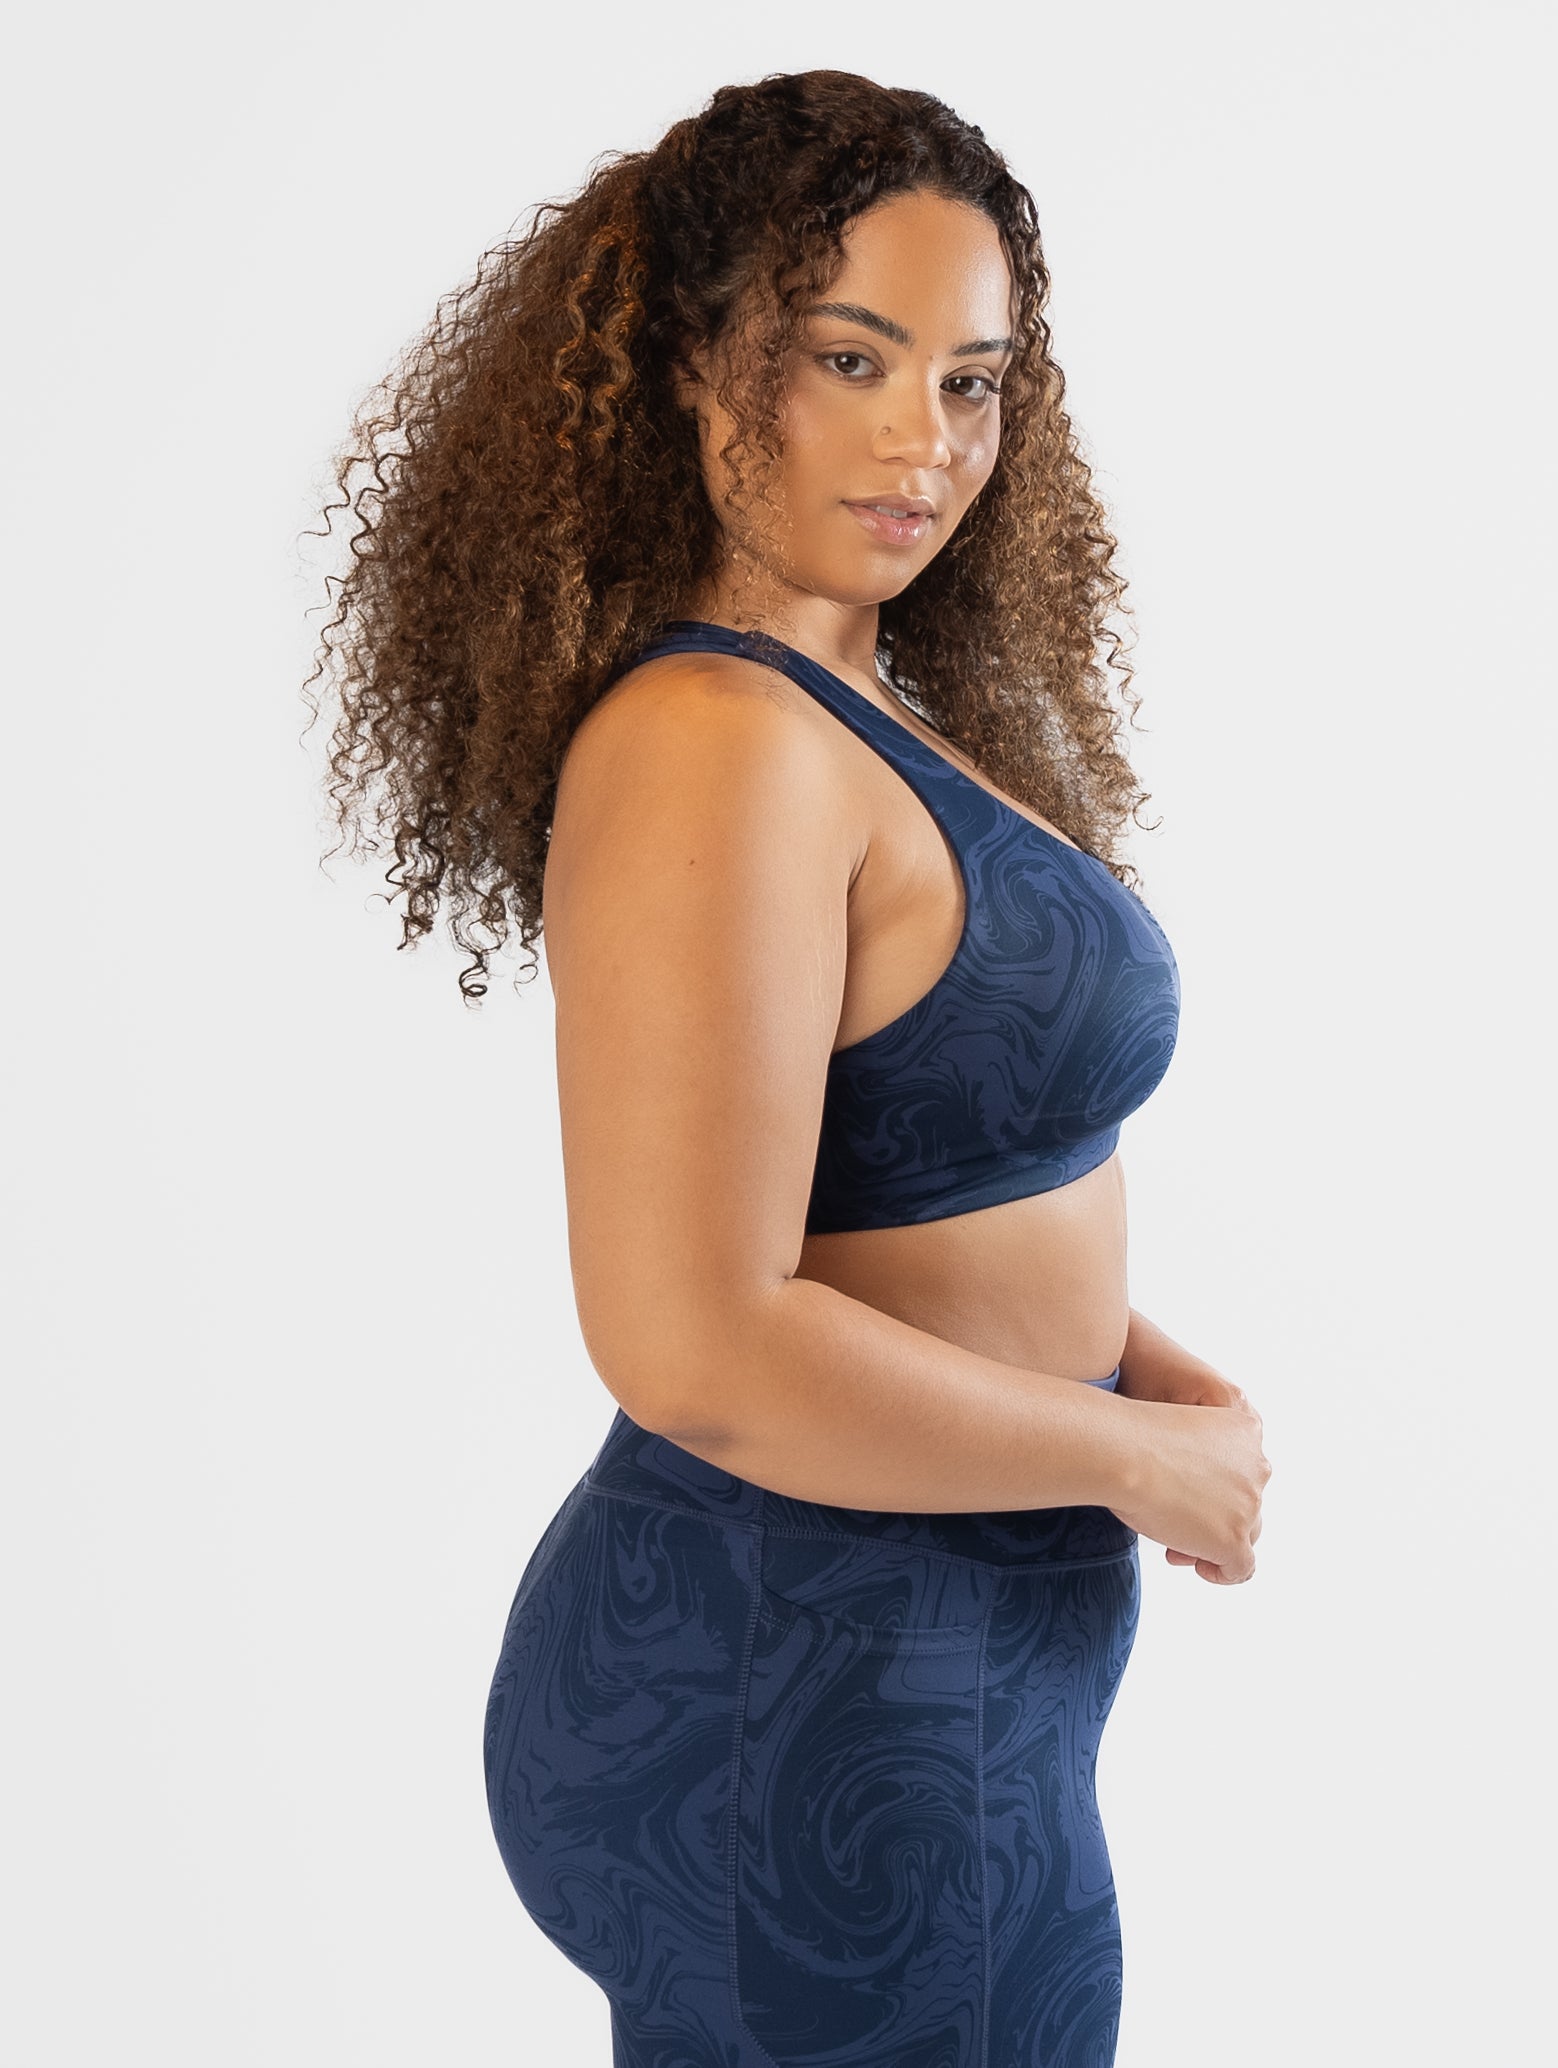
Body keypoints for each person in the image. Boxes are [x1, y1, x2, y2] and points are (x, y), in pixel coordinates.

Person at [311, 66, 1270, 2068]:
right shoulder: (715, 744)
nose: (927, 438)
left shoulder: (849, 704)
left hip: (904, 1675)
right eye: (853, 358)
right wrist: (1119, 1455)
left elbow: (898, 1169)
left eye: (971, 380)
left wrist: (1126, 1360)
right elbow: (694, 1338)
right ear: (693, 364)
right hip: (803, 1688)